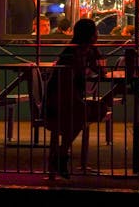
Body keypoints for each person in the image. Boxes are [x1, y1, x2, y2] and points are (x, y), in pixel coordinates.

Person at [44, 17, 115, 179]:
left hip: (71, 99)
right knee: (82, 113)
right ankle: (61, 155)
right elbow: (64, 84)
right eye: (95, 33)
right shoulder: (72, 54)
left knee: (99, 109)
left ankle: (61, 154)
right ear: (89, 35)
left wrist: (96, 52)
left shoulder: (84, 51)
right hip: (58, 101)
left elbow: (100, 70)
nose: (97, 36)